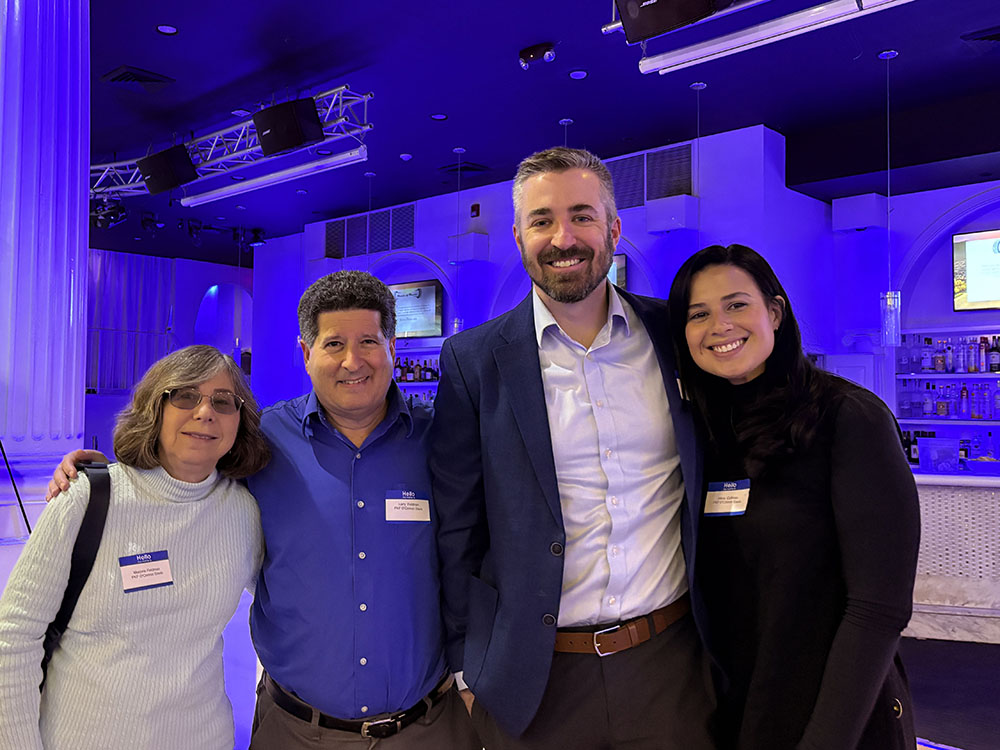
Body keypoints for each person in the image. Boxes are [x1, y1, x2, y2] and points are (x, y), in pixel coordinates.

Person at [49, 272, 479, 749]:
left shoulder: (441, 440)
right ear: (306, 353)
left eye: (368, 342)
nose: (352, 361)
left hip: (425, 728)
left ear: (392, 348)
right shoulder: (262, 442)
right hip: (294, 731)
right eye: (334, 344)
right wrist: (110, 474)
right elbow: (181, 473)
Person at [430, 147, 716, 750]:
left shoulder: (676, 336)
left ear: (613, 229)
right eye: (542, 221)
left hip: (672, 665)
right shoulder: (473, 362)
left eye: (582, 216)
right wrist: (465, 666)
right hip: (533, 683)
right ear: (518, 237)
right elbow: (457, 528)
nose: (563, 238)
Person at [666, 243, 920, 749]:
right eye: (699, 314)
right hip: (735, 712)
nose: (720, 325)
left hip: (833, 717)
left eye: (737, 305)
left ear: (775, 313)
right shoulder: (703, 434)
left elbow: (879, 609)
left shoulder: (848, 418)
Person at [0, 345, 269, 750]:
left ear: (239, 421)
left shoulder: (244, 512)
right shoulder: (87, 499)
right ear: (154, 409)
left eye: (223, 401)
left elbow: (289, 609)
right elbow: (14, 638)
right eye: (185, 396)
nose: (205, 412)